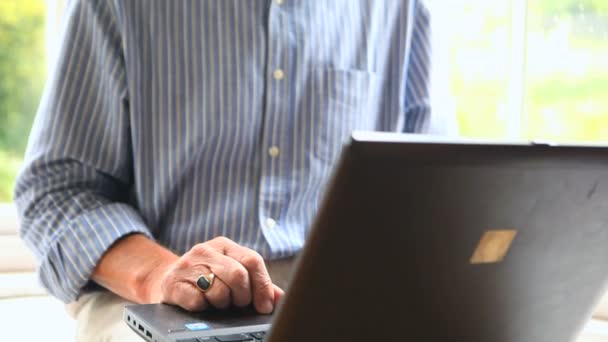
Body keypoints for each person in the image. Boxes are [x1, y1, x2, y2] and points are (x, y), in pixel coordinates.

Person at [14, 0, 453, 340]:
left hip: (341, 300)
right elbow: (56, 191)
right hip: (155, 298)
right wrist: (161, 276)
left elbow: (439, 188)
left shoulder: (401, 8)